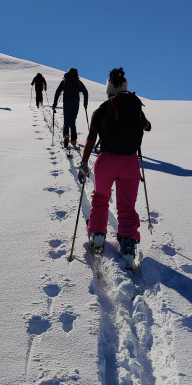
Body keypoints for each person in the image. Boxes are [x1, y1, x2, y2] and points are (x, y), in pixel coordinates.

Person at [77, 67, 151, 263]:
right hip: (130, 163)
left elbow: (91, 139)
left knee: (101, 198)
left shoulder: (101, 110)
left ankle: (98, 235)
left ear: (108, 90)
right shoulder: (136, 107)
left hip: (106, 162)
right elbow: (147, 126)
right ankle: (127, 244)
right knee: (126, 206)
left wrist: (84, 162)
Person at [52, 67, 88, 148]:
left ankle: (66, 135)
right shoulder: (78, 82)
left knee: (66, 121)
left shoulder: (64, 81)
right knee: (72, 121)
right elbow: (85, 92)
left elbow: (57, 92)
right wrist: (85, 104)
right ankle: (74, 140)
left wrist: (54, 104)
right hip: (75, 103)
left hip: (67, 102)